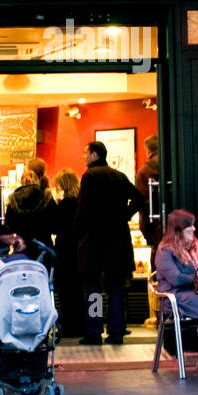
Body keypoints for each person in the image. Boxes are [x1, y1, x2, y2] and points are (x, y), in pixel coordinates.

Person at [75, 140, 145, 345]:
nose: (84, 157)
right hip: (117, 239)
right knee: (115, 287)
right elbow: (139, 198)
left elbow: (83, 207)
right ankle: (116, 331)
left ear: (95, 155)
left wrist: (77, 233)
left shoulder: (89, 176)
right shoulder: (119, 176)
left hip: (94, 241)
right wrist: (124, 215)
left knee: (93, 288)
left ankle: (94, 331)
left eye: (86, 153)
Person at [153, 209, 198, 339]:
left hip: (197, 291)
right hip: (175, 295)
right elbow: (177, 280)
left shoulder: (194, 247)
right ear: (178, 232)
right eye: (189, 228)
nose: (194, 229)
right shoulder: (165, 251)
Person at [51, 168, 84, 337]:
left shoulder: (62, 206)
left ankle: (69, 326)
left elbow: (54, 227)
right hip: (81, 250)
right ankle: (92, 324)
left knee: (66, 292)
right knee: (85, 290)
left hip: (64, 251)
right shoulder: (82, 203)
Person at [5, 168, 56, 250]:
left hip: (23, 244)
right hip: (44, 244)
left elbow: (10, 223)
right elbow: (54, 220)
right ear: (37, 180)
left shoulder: (14, 198)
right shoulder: (46, 196)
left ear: (21, 181)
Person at [135, 135, 162, 248]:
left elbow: (140, 201)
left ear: (148, 150)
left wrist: (146, 232)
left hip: (154, 228)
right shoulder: (174, 165)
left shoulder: (144, 171)